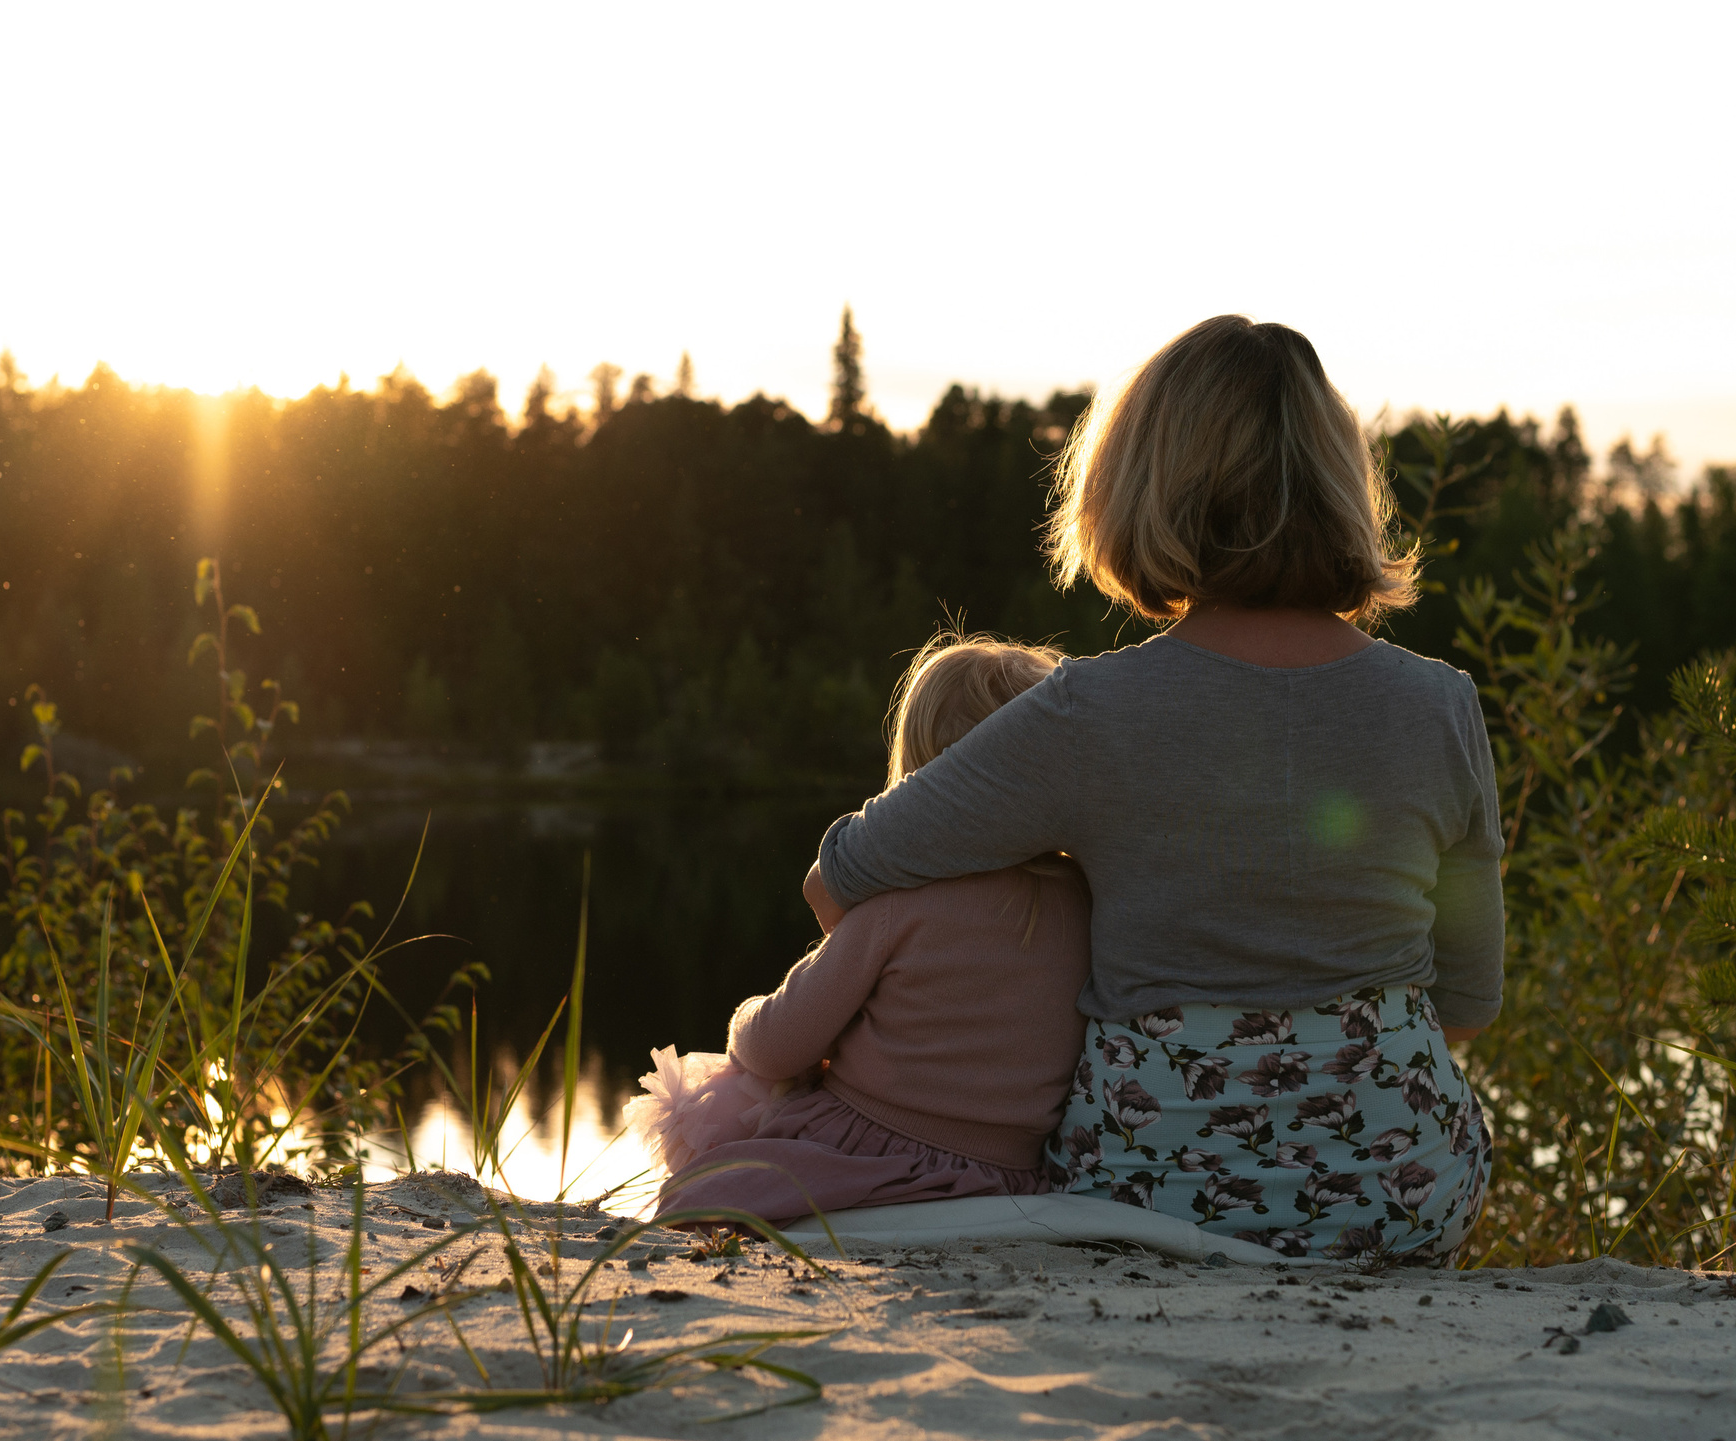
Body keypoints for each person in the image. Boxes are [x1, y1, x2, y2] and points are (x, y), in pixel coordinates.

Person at [805, 315, 1502, 1263]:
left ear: (1139, 484)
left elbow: (841, 876)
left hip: (1147, 1194)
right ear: (1344, 486)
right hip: (1400, 1194)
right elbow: (1466, 1000)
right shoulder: (1442, 705)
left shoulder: (1089, 711)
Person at [626, 635, 1092, 1224]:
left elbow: (775, 1047)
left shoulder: (898, 902)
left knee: (708, 1150)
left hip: (862, 1151)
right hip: (1009, 1173)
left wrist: (745, 1017)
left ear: (921, 779)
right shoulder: (1084, 898)